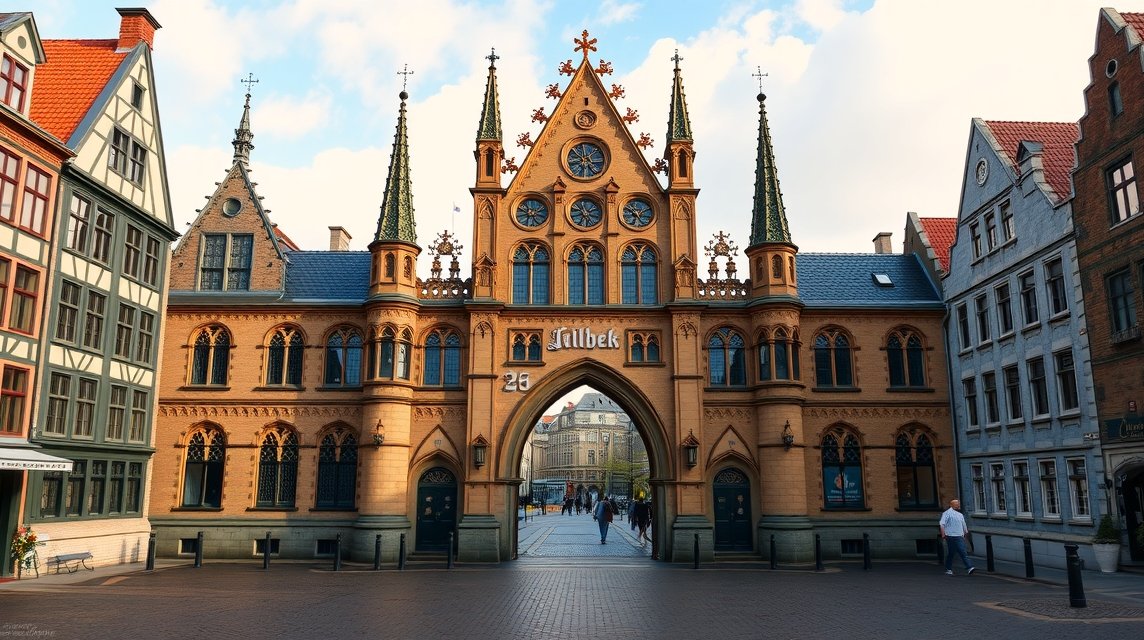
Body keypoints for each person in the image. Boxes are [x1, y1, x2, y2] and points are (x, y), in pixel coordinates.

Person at [939, 498, 975, 576]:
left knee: (958, 552)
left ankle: (968, 567)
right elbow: (942, 524)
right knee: (956, 552)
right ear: (951, 505)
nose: (958, 505)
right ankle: (966, 567)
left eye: (958, 504)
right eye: (956, 504)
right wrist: (943, 534)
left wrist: (965, 533)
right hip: (950, 536)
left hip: (959, 536)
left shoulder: (960, 515)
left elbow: (963, 524)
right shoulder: (946, 513)